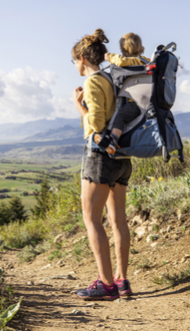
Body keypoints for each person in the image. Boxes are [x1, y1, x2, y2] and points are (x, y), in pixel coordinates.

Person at [71, 29, 133, 301]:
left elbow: (96, 125)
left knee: (92, 220)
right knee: (118, 220)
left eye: (74, 61)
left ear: (83, 58)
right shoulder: (112, 78)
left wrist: (80, 108)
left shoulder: (95, 81)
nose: (75, 66)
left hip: (100, 158)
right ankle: (121, 280)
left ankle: (106, 285)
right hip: (121, 158)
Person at [94, 33, 150, 155]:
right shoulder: (147, 61)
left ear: (126, 50)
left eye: (121, 50)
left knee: (121, 116)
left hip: (135, 103)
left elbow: (121, 61)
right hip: (148, 101)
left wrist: (110, 57)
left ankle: (113, 141)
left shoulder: (134, 61)